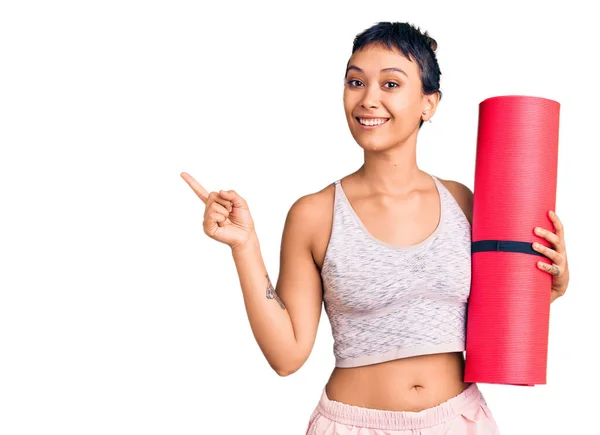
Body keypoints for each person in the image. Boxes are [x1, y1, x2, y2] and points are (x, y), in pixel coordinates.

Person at [181, 21, 570, 435]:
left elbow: (493, 320)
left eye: (390, 84)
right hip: (353, 425)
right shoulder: (315, 214)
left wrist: (550, 287)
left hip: (459, 421)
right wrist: (244, 246)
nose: (368, 100)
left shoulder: (464, 202)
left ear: (429, 103)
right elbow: (287, 355)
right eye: (355, 82)